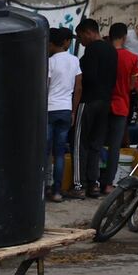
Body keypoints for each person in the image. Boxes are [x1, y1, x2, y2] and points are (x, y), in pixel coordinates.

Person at [76, 19, 119, 198]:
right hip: (105, 102)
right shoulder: (112, 50)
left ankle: (79, 185)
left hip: (89, 100)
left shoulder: (92, 49)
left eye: (80, 37)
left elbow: (88, 77)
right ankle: (93, 184)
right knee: (96, 144)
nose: (80, 42)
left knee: (81, 143)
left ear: (88, 32)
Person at [44, 28, 79, 203]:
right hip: (65, 110)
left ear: (52, 43)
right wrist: (73, 110)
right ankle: (57, 191)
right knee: (59, 153)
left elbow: (46, 86)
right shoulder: (74, 60)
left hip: (50, 109)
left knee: (45, 152)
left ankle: (43, 189)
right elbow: (78, 87)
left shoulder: (50, 62)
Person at [108, 23, 138, 152]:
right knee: (115, 147)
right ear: (125, 37)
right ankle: (111, 173)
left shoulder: (104, 54)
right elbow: (132, 85)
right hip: (121, 105)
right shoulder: (132, 58)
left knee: (97, 144)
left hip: (103, 104)